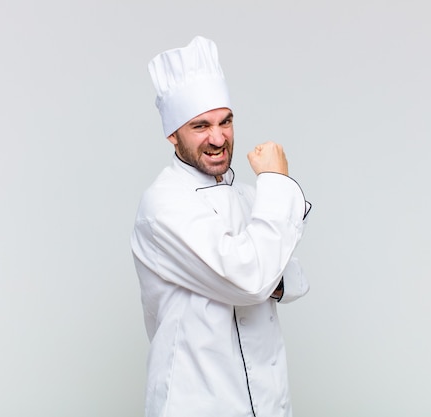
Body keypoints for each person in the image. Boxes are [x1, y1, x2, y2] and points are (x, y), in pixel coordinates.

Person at [131, 36, 312, 417]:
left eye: (225, 121)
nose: (218, 138)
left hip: (264, 401)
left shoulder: (247, 194)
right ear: (172, 133)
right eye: (200, 126)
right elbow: (251, 281)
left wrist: (268, 274)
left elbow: (292, 278)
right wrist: (277, 182)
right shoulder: (164, 203)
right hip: (195, 401)